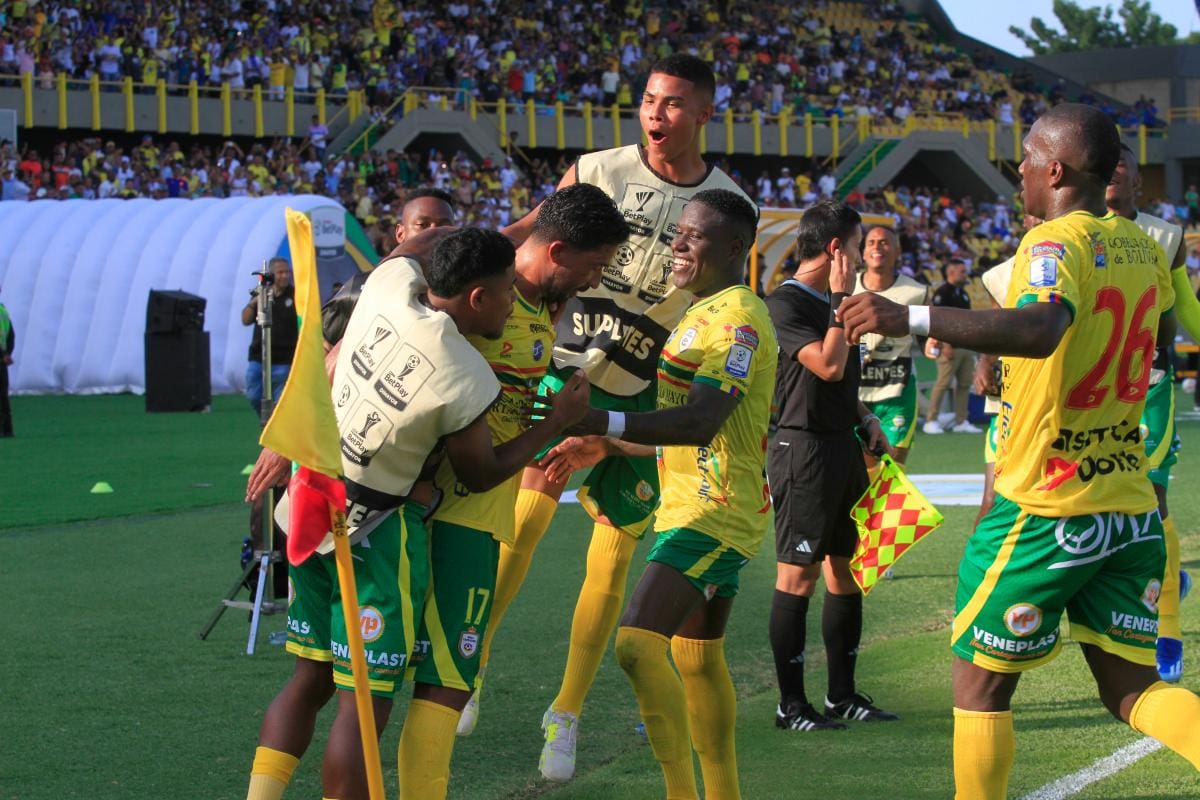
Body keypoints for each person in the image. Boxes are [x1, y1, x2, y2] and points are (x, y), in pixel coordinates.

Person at [838, 102, 1200, 798]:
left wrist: (905, 314)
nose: (1020, 173)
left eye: (1027, 159)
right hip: (1124, 501)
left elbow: (1040, 328)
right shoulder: (1145, 247)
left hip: (1046, 502)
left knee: (977, 685)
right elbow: (1145, 352)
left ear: (1055, 169)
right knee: (1132, 689)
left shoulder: (1053, 244)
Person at [465, 53, 752, 783]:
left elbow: (725, 308)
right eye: (650, 100)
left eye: (675, 103)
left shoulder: (723, 202)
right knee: (522, 520)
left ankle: (565, 709)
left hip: (642, 391)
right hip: (562, 370)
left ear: (704, 114)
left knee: (613, 558)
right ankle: (472, 658)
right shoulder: (598, 168)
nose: (657, 114)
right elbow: (528, 235)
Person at [242, 227, 591, 800]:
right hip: (373, 534)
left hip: (307, 503)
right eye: (507, 290)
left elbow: (409, 252)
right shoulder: (466, 372)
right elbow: (479, 473)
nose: (513, 302)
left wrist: (524, 222)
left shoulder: (388, 284)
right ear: (478, 297)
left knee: (308, 678)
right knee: (363, 700)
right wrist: (556, 422)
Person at [394, 184, 628, 799]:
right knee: (427, 681)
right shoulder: (482, 297)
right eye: (593, 267)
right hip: (449, 512)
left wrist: (550, 430)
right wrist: (554, 424)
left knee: (418, 680)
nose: (593, 281)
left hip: (481, 503)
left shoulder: (535, 308)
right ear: (554, 250)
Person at [539, 189, 774, 800]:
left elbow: (701, 422)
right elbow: (680, 424)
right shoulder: (700, 309)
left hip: (714, 511)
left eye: (695, 237)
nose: (678, 244)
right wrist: (616, 448)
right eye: (679, 233)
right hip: (689, 502)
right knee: (697, 659)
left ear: (734, 248)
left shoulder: (738, 320)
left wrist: (604, 424)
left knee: (638, 645)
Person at [765, 200, 898, 733]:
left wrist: (865, 416)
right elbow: (827, 363)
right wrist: (843, 301)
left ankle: (841, 696)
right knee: (797, 578)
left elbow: (843, 382)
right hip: (802, 451)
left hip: (842, 446)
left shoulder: (830, 302)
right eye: (859, 242)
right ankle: (790, 705)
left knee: (846, 574)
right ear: (836, 249)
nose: (868, 252)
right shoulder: (786, 303)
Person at [1106, 142, 1195, 683]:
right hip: (1087, 393)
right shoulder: (1069, 232)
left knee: (1150, 500)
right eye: (1106, 166)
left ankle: (1167, 630)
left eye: (1125, 168)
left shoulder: (1166, 236)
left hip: (1149, 388)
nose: (1115, 175)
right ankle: (1159, 580)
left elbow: (1186, 314)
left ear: (1142, 182)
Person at [853, 225, 928, 467]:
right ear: (863, 252)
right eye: (871, 242)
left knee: (893, 464)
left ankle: (888, 506)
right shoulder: (845, 288)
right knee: (863, 466)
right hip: (856, 393)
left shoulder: (917, 291)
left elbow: (926, 342)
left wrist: (936, 345)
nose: (877, 247)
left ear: (897, 250)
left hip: (897, 390)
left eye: (884, 242)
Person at [923, 258, 980, 434]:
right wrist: (945, 344)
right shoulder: (942, 293)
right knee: (942, 383)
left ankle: (961, 420)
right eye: (962, 271)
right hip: (949, 347)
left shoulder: (963, 294)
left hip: (964, 346)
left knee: (964, 384)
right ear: (951, 272)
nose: (965, 275)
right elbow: (938, 321)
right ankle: (931, 420)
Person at [241, 257, 297, 417]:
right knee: (253, 395)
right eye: (280, 272)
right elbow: (245, 320)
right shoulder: (262, 294)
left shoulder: (295, 296)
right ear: (271, 275)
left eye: (287, 272)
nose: (285, 276)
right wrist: (254, 302)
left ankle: (273, 431)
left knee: (279, 402)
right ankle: (267, 424)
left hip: (283, 359)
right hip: (258, 357)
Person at [0, 287, 12, 437]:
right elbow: (11, 335)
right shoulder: (3, 311)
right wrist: (7, 354)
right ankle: (7, 429)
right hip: (2, 361)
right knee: (3, 396)